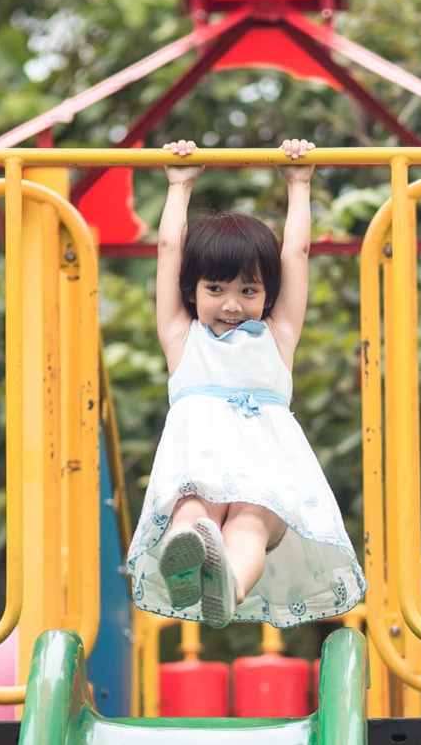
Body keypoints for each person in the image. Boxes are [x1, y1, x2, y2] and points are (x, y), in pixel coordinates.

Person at [125, 138, 367, 629]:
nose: (232, 304)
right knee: (195, 512)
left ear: (267, 294)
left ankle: (228, 587)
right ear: (191, 291)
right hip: (202, 464)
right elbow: (171, 247)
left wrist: (300, 183)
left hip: (267, 470)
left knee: (250, 523)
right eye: (215, 289)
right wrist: (179, 185)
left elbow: (295, 253)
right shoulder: (182, 337)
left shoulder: (279, 337)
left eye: (248, 290)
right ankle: (187, 564)